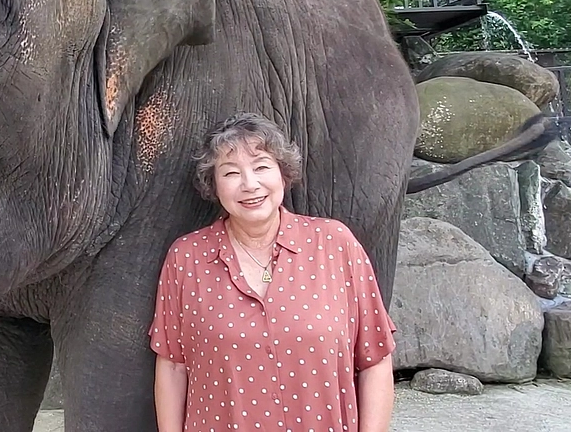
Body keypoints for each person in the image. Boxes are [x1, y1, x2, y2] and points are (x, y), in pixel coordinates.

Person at [150, 112, 396, 432]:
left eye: (261, 167)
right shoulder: (187, 258)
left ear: (283, 173)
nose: (249, 184)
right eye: (231, 172)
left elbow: (376, 358)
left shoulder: (335, 245)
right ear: (214, 185)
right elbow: (172, 366)